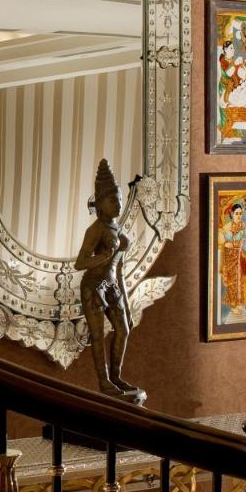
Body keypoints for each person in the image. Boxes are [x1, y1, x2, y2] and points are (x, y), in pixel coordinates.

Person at [75, 159, 141, 400]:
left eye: (120, 198)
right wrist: (102, 257)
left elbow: (120, 268)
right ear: (100, 203)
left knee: (123, 329)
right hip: (93, 287)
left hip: (113, 285)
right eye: (113, 199)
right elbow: (79, 263)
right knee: (97, 336)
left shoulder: (117, 228)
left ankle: (116, 376)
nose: (119, 203)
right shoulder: (96, 230)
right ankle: (104, 382)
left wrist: (126, 300)